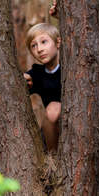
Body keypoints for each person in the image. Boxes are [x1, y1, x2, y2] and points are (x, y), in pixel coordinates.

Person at [24, 21, 61, 151]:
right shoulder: (37, 73)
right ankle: (52, 158)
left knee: (54, 107)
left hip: (69, 122)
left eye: (44, 42)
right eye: (33, 46)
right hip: (49, 133)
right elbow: (24, 79)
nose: (39, 49)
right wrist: (25, 80)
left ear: (58, 43)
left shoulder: (68, 68)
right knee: (51, 110)